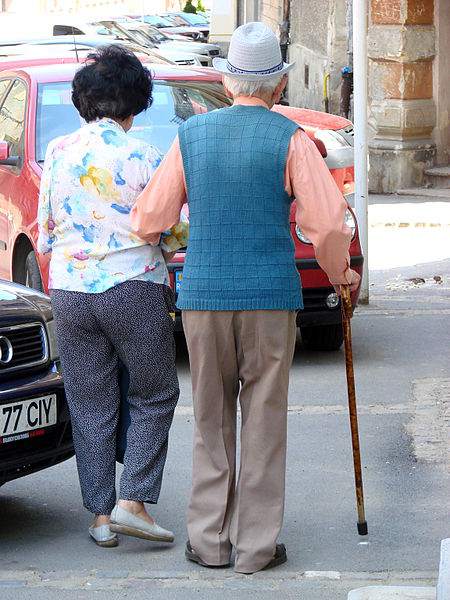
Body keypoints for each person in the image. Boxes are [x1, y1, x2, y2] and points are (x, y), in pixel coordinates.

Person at [130, 22, 361, 573]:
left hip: (204, 297)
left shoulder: (192, 137)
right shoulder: (291, 139)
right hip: (270, 299)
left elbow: (149, 218)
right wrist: (339, 275)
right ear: (278, 86)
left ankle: (208, 542)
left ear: (228, 82)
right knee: (263, 421)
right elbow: (327, 226)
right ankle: (256, 548)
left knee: (210, 422)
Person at [37, 45, 182, 548]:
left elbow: (46, 233)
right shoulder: (143, 154)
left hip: (69, 291)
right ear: (134, 102)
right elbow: (171, 229)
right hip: (132, 285)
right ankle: (133, 501)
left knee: (89, 402)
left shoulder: (57, 152)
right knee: (156, 390)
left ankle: (100, 519)